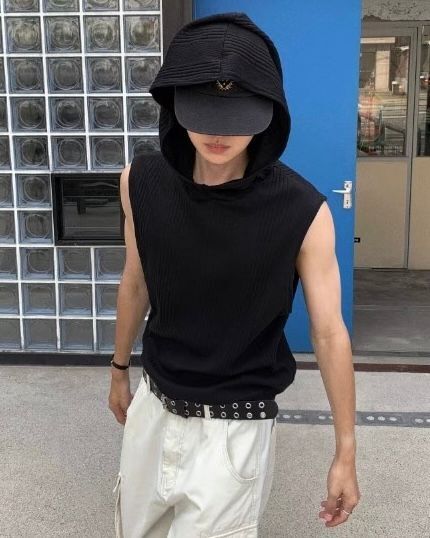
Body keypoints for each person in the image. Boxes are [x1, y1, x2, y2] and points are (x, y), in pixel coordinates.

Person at [108, 11, 360, 538]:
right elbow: (136, 281)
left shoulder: (303, 211)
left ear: (270, 110)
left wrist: (345, 450)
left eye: (238, 114)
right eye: (204, 111)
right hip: (153, 408)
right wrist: (118, 369)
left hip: (235, 429)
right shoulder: (140, 181)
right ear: (176, 102)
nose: (219, 132)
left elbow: (329, 332)